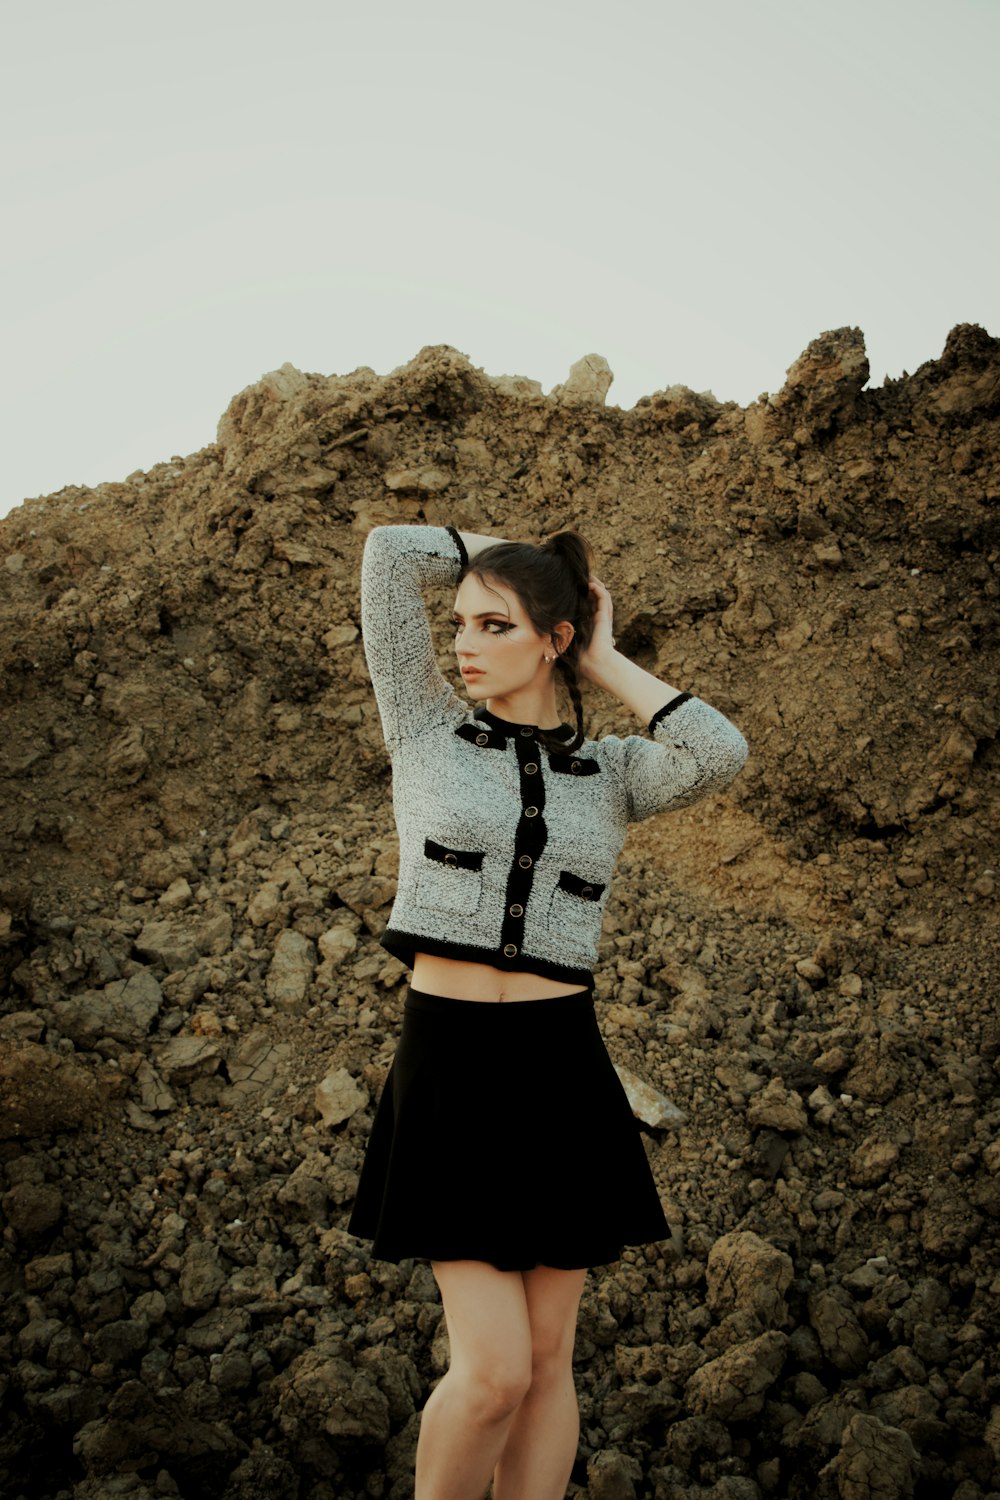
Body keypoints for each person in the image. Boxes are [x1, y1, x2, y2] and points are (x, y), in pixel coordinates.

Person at [347, 523, 747, 1500]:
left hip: (563, 1068)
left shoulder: (609, 775)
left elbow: (718, 751)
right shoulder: (425, 723)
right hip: (450, 1064)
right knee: (491, 1373)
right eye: (460, 624)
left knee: (546, 1357)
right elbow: (389, 556)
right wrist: (527, 554)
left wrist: (607, 653)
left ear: (551, 638)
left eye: (494, 624)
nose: (466, 644)